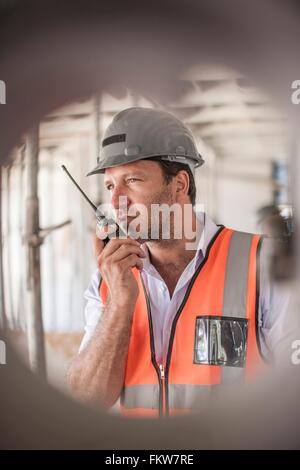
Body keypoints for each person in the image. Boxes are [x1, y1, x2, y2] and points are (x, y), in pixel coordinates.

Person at [68, 107, 291, 418]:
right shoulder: (108, 281)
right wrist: (119, 302)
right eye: (109, 186)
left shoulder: (263, 263)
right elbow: (84, 400)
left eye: (132, 180)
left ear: (180, 184)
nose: (117, 200)